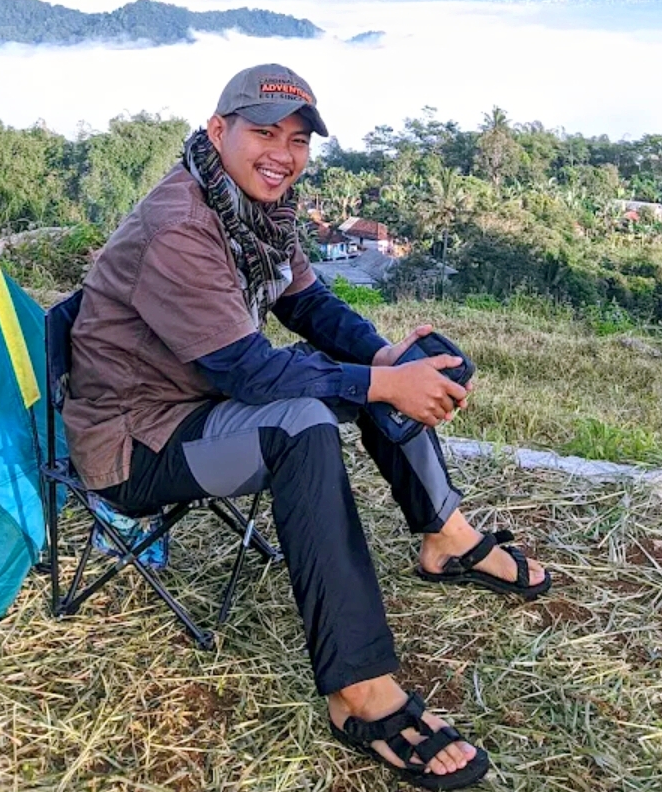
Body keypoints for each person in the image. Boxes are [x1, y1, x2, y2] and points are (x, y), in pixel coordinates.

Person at [63, 64, 550, 789]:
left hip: (204, 401)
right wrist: (384, 382)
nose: (282, 154)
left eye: (297, 140)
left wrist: (388, 360)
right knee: (303, 423)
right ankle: (358, 689)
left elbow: (308, 305)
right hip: (138, 443)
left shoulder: (256, 207)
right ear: (218, 131)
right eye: (265, 133)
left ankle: (447, 538)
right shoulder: (179, 226)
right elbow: (253, 376)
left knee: (381, 372)